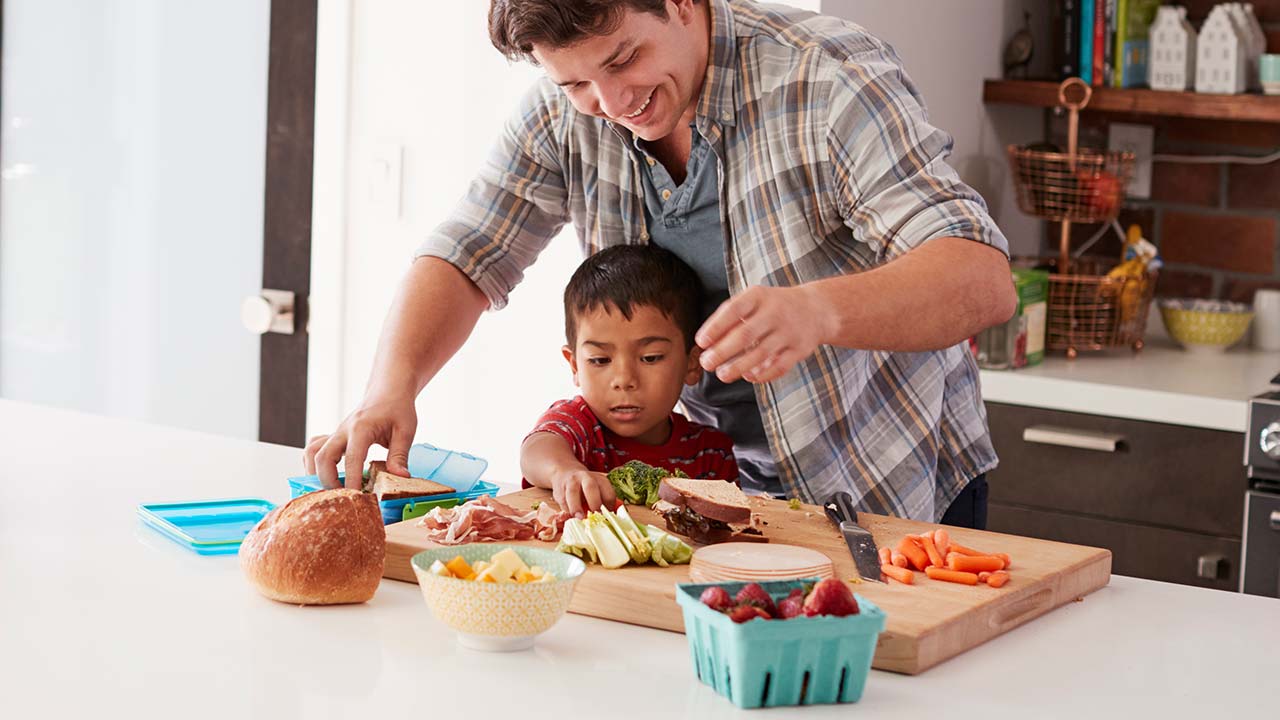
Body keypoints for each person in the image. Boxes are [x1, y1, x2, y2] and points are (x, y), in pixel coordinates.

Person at [304, 0, 1016, 529]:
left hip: (887, 481)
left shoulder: (825, 77)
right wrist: (389, 387)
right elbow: (467, 252)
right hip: (722, 492)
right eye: (576, 84)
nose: (612, 105)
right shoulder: (567, 117)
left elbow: (980, 278)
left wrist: (817, 310)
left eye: (621, 60)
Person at [520, 244, 739, 518]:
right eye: (600, 360)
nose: (624, 380)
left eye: (650, 357)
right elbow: (537, 448)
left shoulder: (710, 455)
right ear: (574, 365)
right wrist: (564, 471)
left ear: (692, 362)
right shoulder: (579, 426)